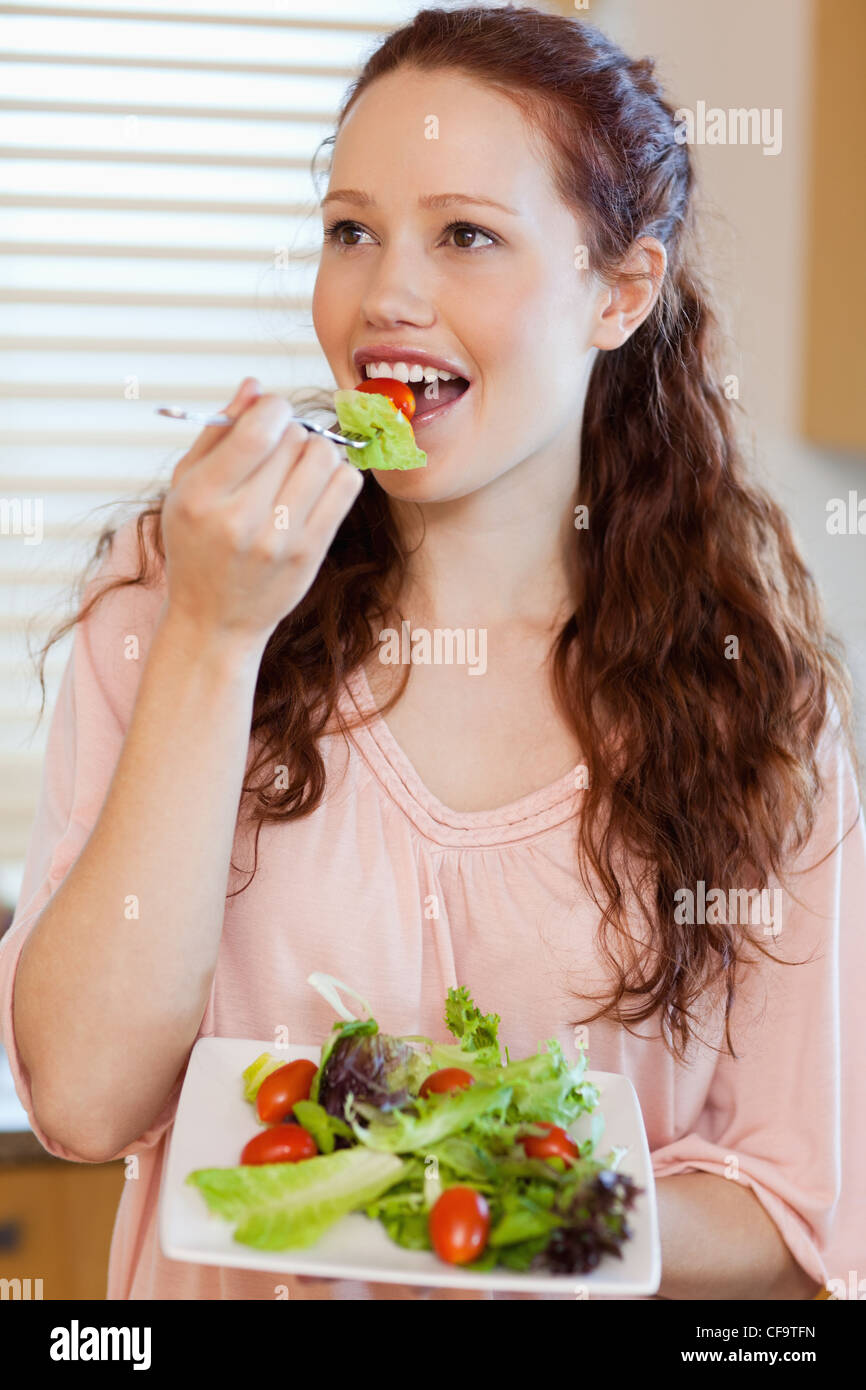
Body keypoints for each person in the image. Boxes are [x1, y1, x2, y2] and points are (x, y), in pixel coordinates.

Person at [1, 4, 862, 1301]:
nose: (383, 296)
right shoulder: (173, 602)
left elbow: (802, 1219)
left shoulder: (751, 707)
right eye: (352, 230)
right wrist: (215, 634)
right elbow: (78, 1094)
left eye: (465, 235)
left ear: (619, 291)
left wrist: (486, 1190)